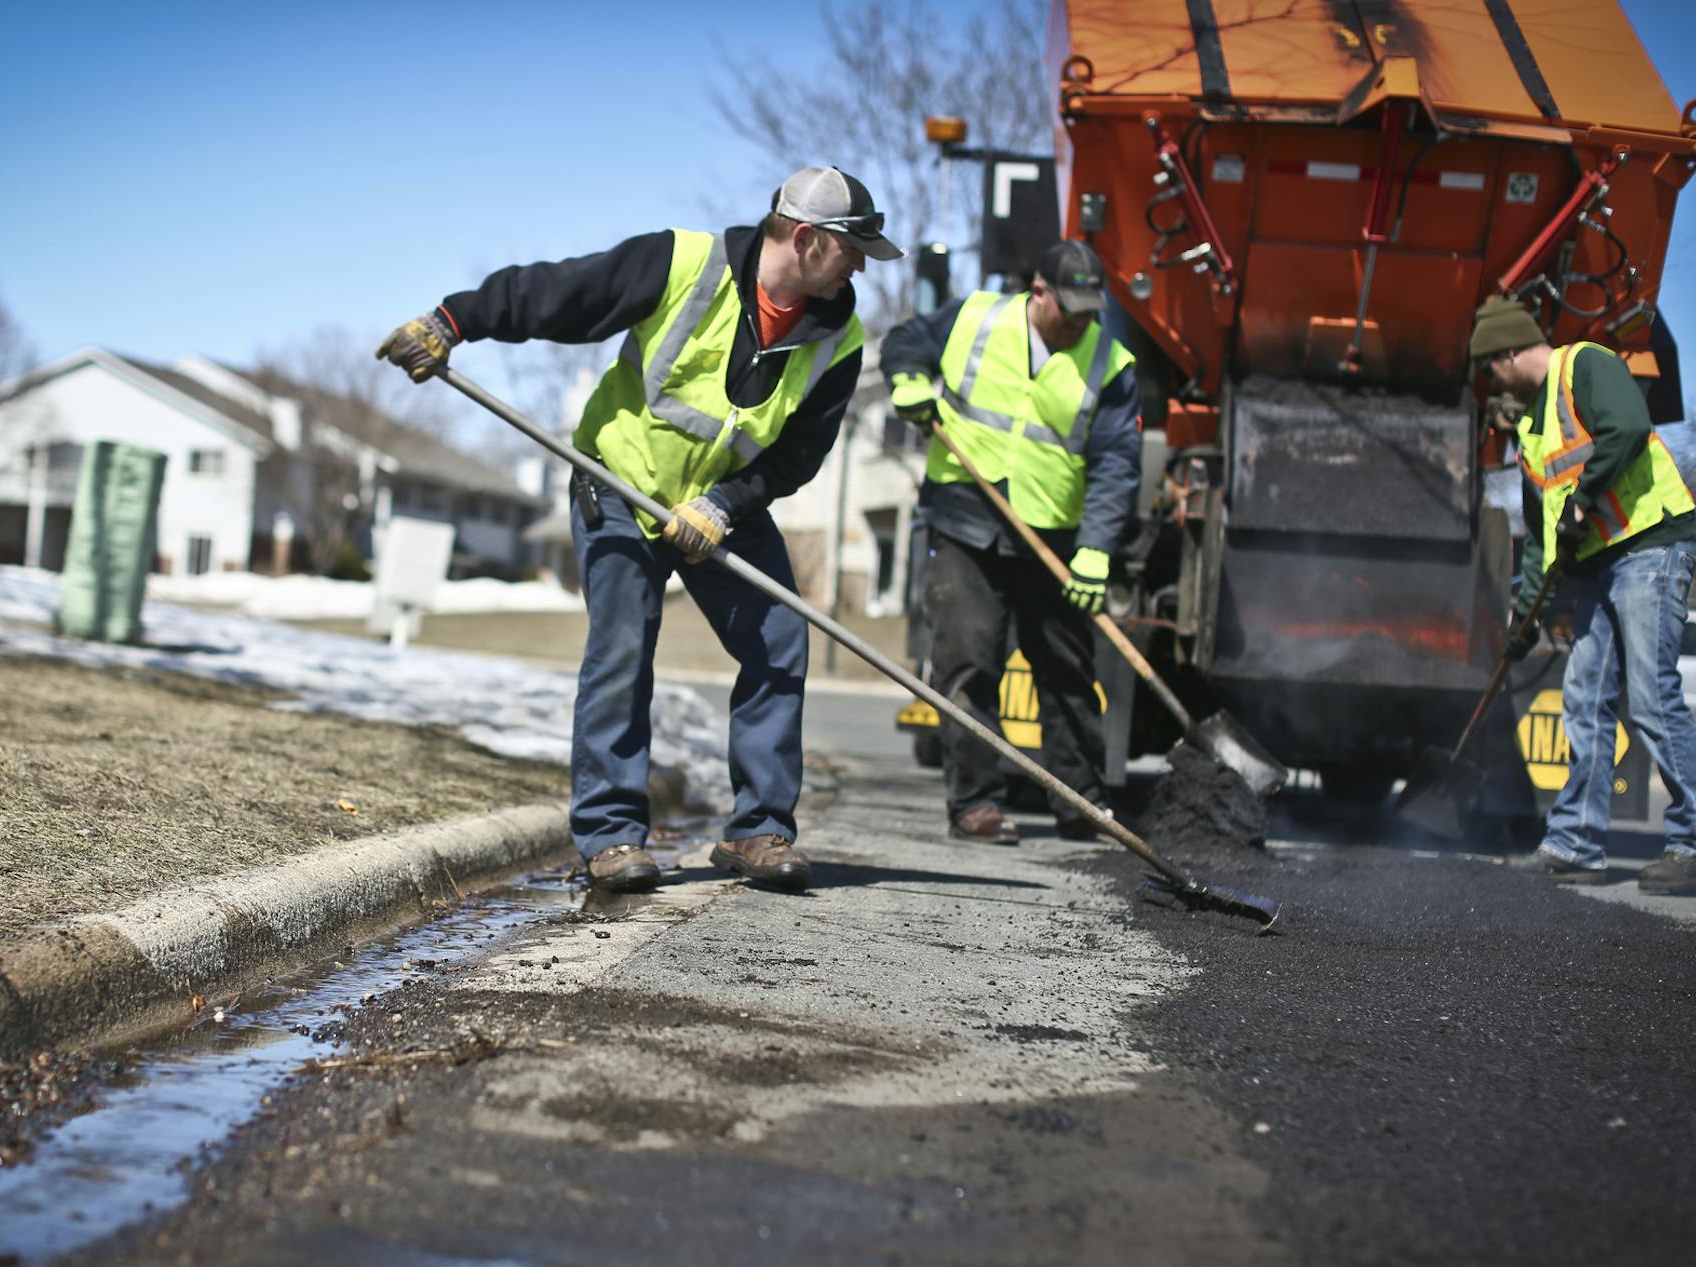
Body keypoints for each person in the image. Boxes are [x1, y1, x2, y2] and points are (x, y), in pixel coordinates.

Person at [376, 167, 900, 893]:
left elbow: (797, 455)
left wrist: (722, 504)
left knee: (780, 636)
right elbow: (557, 294)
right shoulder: (683, 264)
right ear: (807, 239)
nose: (861, 265)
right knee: (624, 639)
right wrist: (453, 320)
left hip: (718, 508)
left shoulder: (837, 341)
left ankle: (760, 828)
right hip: (617, 483)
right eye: (852, 248)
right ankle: (611, 836)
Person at [1470, 296, 1696, 892]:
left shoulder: (1585, 365)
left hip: (1650, 544)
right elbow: (1540, 543)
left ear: (1509, 352)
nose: (1491, 381)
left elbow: (1629, 426)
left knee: (1651, 695)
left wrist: (1584, 499)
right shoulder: (1532, 435)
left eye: (1491, 367)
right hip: (1595, 567)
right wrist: (1524, 616)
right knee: (1584, 698)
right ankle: (1575, 843)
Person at [879, 239, 1138, 844]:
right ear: (1037, 291)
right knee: (969, 658)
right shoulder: (974, 317)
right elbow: (903, 343)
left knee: (1067, 667)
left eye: (1088, 310)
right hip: (965, 518)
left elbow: (1116, 465)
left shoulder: (1111, 364)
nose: (1079, 321)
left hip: (1052, 532)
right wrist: (911, 382)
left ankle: (1081, 802)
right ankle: (976, 804)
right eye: (1067, 307)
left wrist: (1095, 550)